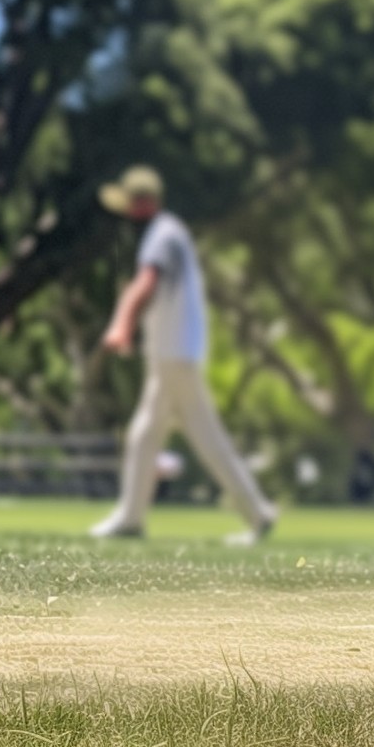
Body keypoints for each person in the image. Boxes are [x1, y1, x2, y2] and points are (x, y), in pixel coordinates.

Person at [88, 165, 277, 545]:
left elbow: (145, 284)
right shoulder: (168, 233)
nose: (126, 213)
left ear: (144, 203)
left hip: (175, 354)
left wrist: (122, 324)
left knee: (203, 439)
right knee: (145, 435)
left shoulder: (164, 234)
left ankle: (256, 513)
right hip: (171, 354)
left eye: (130, 204)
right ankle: (132, 517)